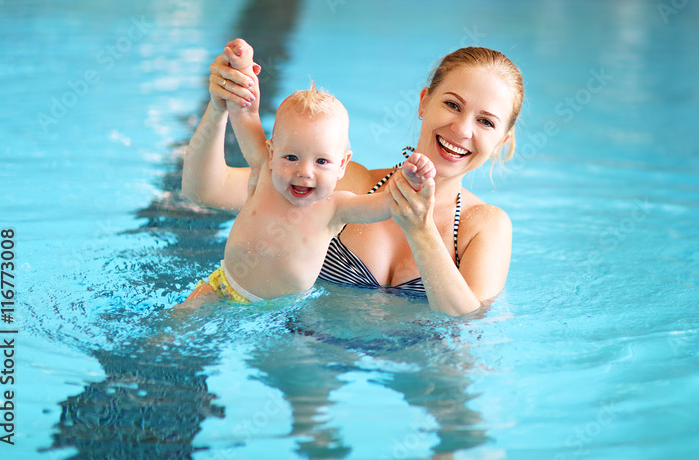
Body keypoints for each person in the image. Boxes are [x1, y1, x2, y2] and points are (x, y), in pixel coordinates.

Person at [184, 39, 523, 315]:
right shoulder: (336, 182)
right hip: (302, 364)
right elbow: (205, 191)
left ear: (500, 144)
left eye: (486, 122)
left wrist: (420, 230)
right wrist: (218, 108)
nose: (462, 129)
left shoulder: (484, 226)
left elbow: (470, 328)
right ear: (424, 102)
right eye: (452, 105)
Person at [179, 43, 435, 307]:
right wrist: (241, 64)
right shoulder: (265, 172)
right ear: (271, 152)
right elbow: (245, 111)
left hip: (281, 314)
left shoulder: (335, 208)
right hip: (222, 287)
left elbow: (386, 204)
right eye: (291, 157)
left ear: (342, 165)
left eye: (322, 161)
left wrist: (412, 182)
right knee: (175, 327)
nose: (304, 172)